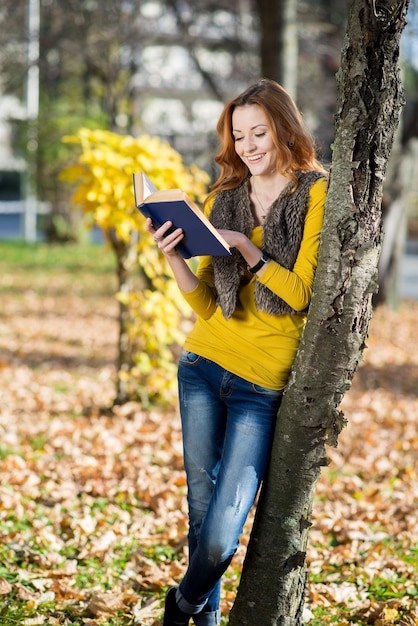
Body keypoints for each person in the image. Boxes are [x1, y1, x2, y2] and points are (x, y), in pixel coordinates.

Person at [145, 78, 328, 626]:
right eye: (238, 135)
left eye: (259, 133)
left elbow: (302, 296)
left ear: (284, 130)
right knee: (201, 519)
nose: (248, 147)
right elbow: (205, 303)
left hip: (261, 384)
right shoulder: (221, 199)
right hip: (201, 366)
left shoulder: (315, 192)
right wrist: (173, 255)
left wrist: (249, 248)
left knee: (222, 532)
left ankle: (179, 607)